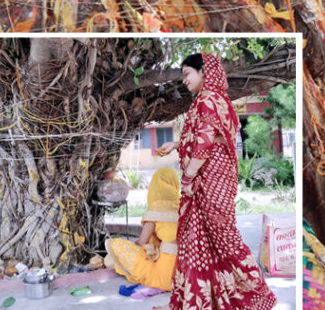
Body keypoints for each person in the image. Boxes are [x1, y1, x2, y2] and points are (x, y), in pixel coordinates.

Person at [153, 53, 276, 310]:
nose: (184, 80)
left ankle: (258, 294)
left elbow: (205, 144)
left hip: (210, 180)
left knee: (223, 238)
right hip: (214, 178)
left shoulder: (207, 100)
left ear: (204, 72)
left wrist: (188, 177)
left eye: (187, 74)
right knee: (202, 241)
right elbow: (209, 139)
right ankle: (200, 300)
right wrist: (176, 144)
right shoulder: (219, 101)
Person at [105, 167, 180, 295]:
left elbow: (141, 242)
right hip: (183, 277)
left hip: (164, 279)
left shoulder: (157, 208)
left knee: (116, 245)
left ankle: (116, 262)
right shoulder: (183, 206)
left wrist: (133, 248)